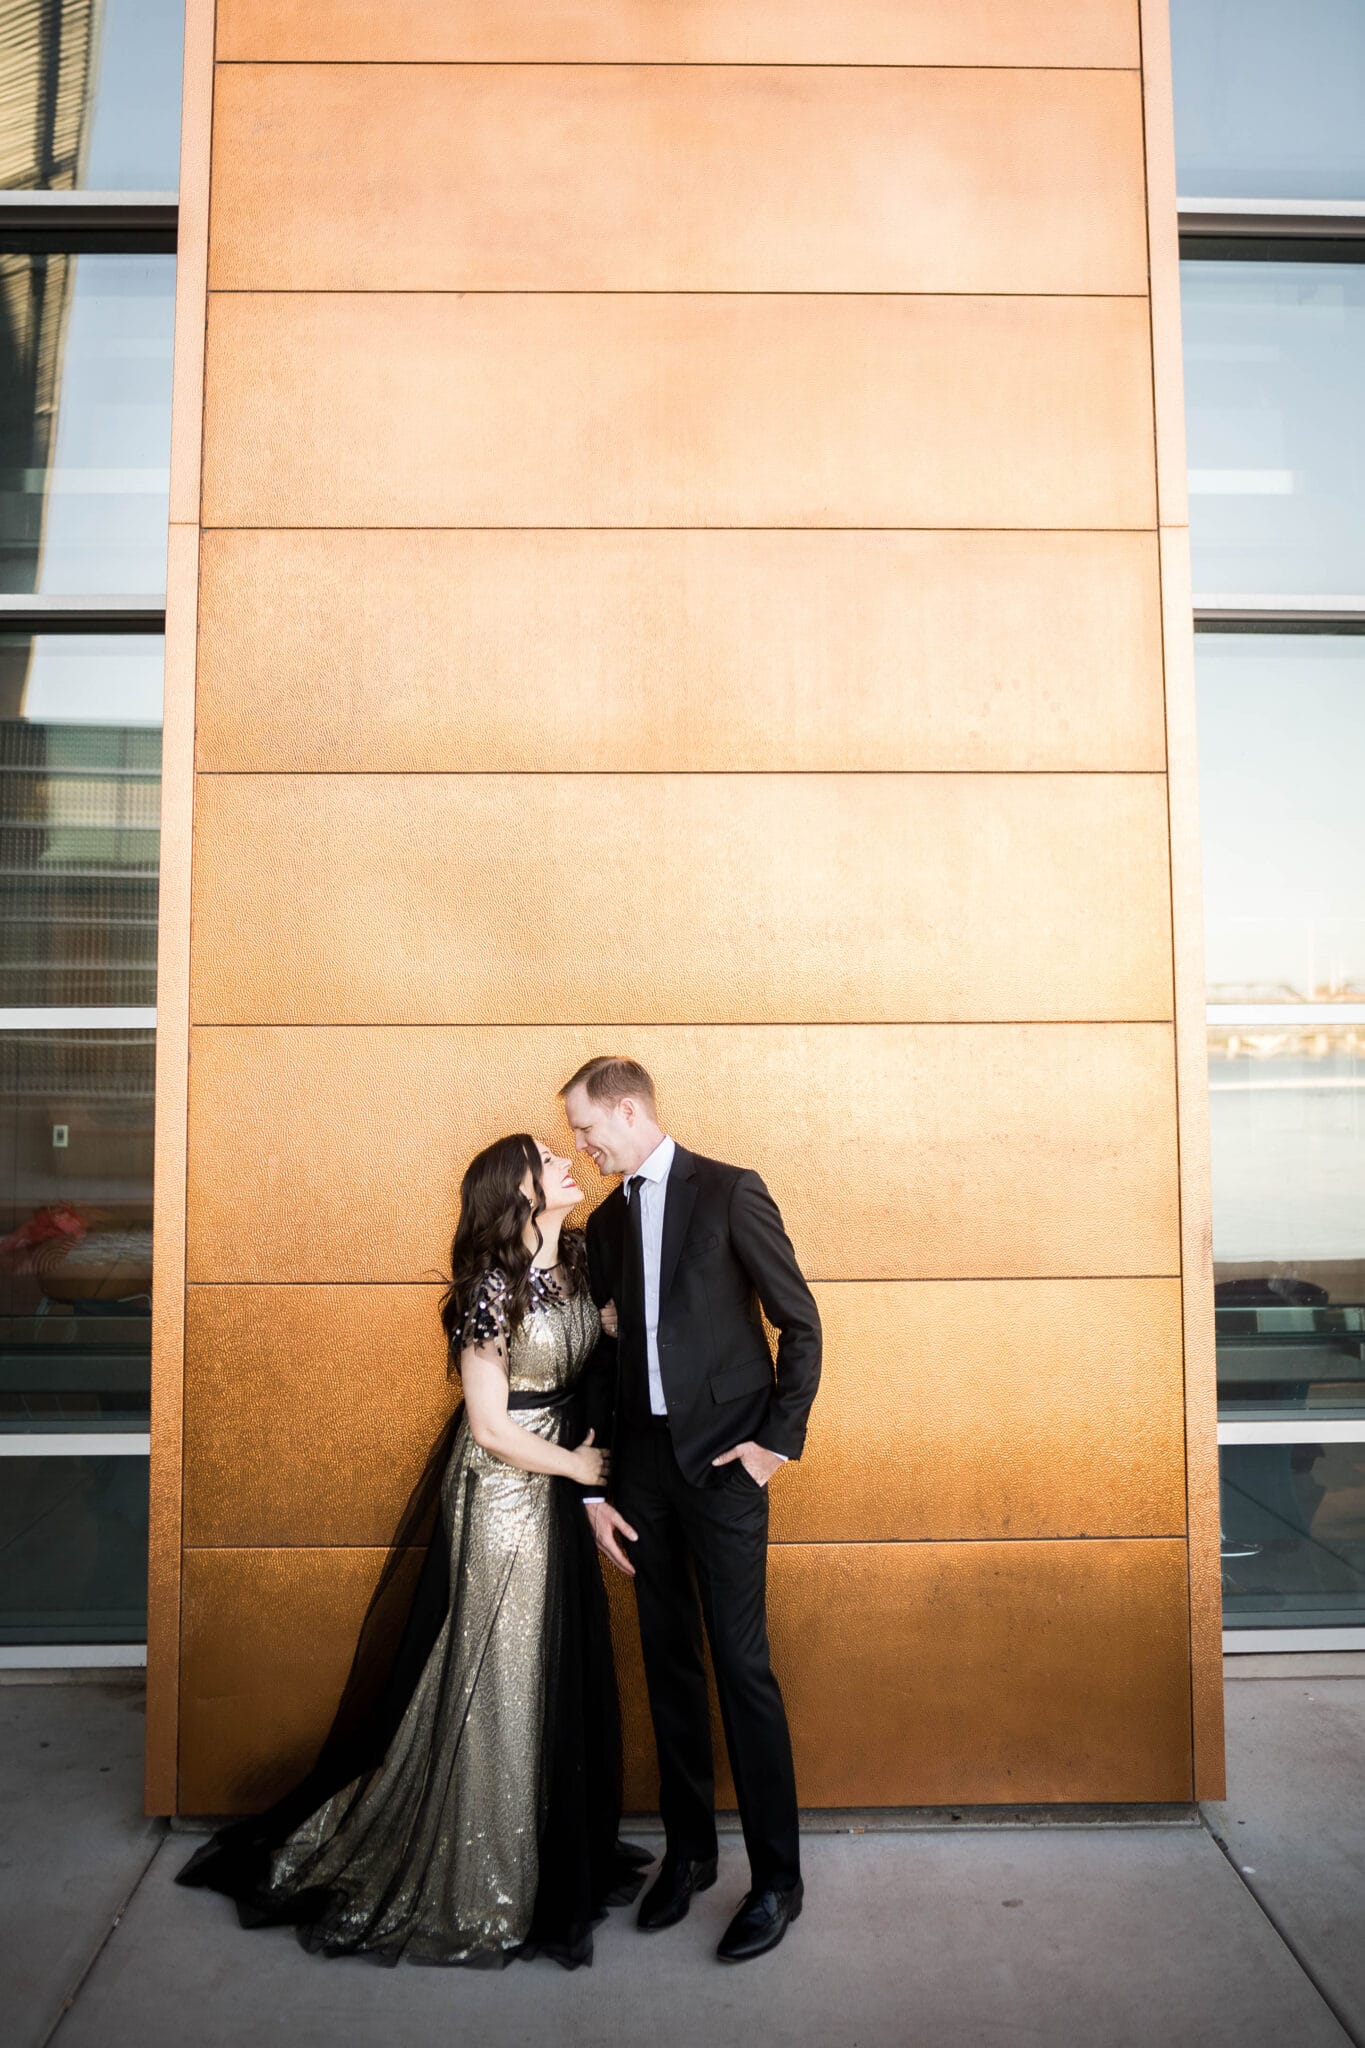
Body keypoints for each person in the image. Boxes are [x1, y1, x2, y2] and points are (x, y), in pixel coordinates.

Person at [174, 1133, 649, 1968]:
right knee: (499, 1667)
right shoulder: (486, 1293)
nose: (569, 1163)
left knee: (549, 1665)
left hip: (563, 1483)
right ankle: (482, 1877)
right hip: (506, 1490)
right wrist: (574, 1462)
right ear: (519, 1190)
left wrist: (606, 1331)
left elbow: (591, 1347)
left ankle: (533, 1852)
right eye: (549, 1158)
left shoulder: (577, 1260)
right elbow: (491, 1426)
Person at [560, 1056, 822, 1963]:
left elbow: (801, 1322)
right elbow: (602, 1358)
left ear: (627, 1111)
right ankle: (691, 1856)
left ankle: (778, 1882)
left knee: (741, 1668)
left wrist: (771, 1446)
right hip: (641, 1477)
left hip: (723, 1473)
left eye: (587, 1129)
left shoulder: (730, 1191)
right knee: (667, 1667)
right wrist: (594, 1486)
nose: (581, 1147)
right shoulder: (606, 1219)